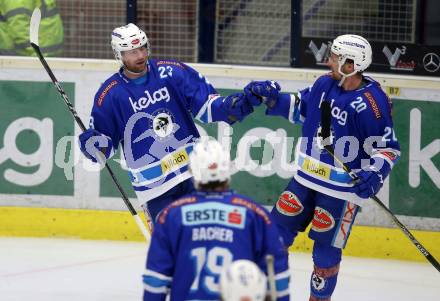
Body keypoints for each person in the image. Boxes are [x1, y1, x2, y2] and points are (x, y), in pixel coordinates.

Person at [245, 34, 400, 300]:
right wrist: (271, 98)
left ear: (351, 65)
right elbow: (300, 109)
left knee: (325, 256)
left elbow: (388, 148)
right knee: (273, 238)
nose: (329, 61)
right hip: (304, 181)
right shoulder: (325, 84)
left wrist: (374, 174)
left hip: (340, 192)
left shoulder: (371, 103)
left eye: (335, 57)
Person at [78, 23, 259, 227]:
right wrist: (93, 145)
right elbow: (105, 147)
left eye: (142, 48)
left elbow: (209, 107)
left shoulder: (171, 72)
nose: (139, 55)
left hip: (195, 175)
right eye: (131, 52)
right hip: (155, 189)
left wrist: (238, 103)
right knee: (171, 250)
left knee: (208, 236)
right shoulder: (110, 94)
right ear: (118, 55)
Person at [142, 138, 290, 301]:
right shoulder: (256, 214)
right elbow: (278, 278)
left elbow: (155, 281)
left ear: (193, 171)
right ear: (228, 169)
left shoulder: (170, 215)